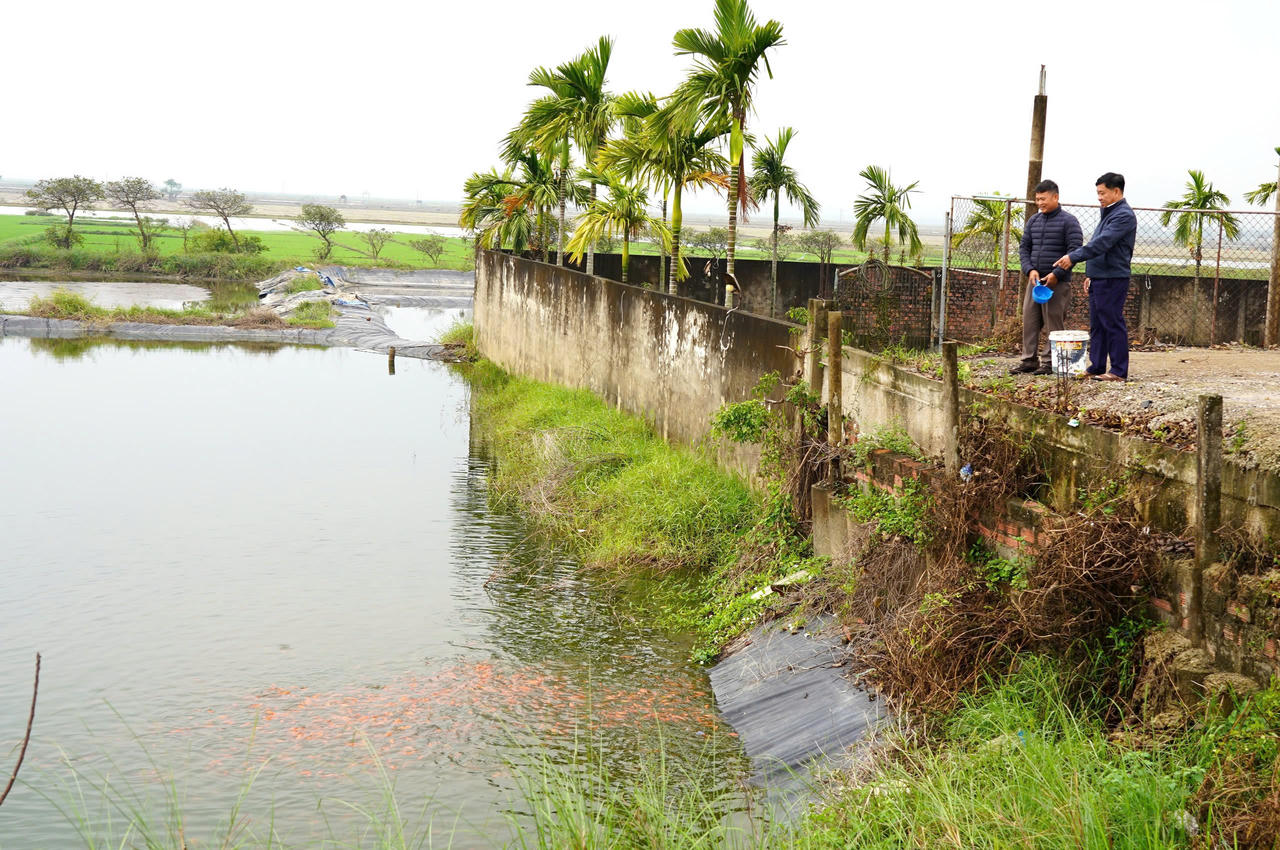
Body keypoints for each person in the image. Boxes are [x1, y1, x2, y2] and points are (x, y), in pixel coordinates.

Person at [1053, 172, 1137, 382]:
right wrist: (1091, 274)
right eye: (1098, 193)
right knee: (1097, 324)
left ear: (1116, 191)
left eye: (1102, 193)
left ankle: (1118, 371)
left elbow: (1102, 244)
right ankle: (1097, 365)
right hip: (1100, 276)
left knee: (1112, 322)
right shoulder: (1108, 213)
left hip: (1113, 277)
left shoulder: (1123, 215)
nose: (1099, 197)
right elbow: (1098, 246)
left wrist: (1073, 257)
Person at [1013, 179, 1082, 375]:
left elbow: (1074, 251)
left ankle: (1049, 362)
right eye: (1037, 199)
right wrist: (1029, 270)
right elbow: (1024, 247)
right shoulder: (1034, 220)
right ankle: (1028, 360)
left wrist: (1057, 274)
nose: (1040, 203)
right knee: (1030, 320)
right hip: (1035, 281)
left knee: (1053, 322)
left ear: (1055, 197)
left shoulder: (1069, 221)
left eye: (1043, 199)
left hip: (1056, 283)